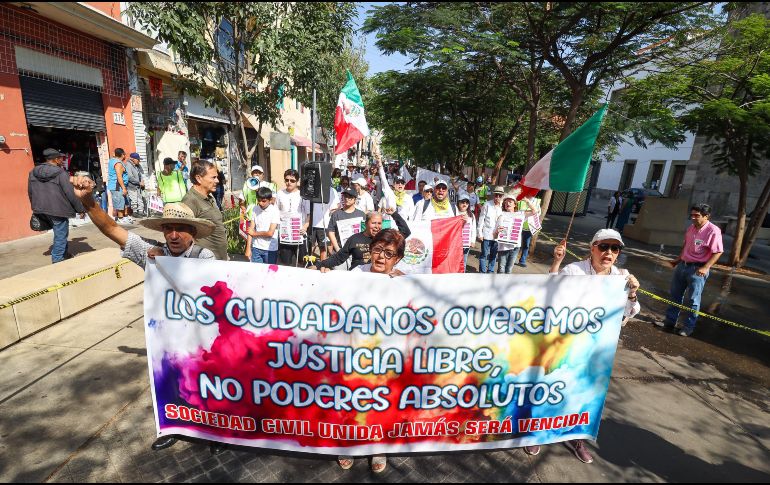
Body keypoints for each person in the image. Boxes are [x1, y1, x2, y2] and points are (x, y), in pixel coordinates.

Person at [68, 175, 222, 454]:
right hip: (167, 339)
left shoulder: (204, 258)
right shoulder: (151, 251)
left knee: (208, 385)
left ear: (193, 233)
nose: (173, 235)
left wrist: (165, 263)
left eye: (180, 229)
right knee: (171, 384)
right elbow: (112, 228)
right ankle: (173, 427)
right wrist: (89, 201)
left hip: (202, 340)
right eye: (168, 229)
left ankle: (215, 434)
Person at [543, 228, 640, 463]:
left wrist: (632, 294)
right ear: (592, 248)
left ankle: (576, 438)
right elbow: (549, 295)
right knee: (553, 388)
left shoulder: (622, 277)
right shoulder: (574, 270)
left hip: (597, 349)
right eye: (604, 247)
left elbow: (629, 313)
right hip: (566, 342)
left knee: (586, 394)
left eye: (615, 248)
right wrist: (556, 263)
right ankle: (538, 434)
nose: (609, 253)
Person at [334, 228, 407, 472]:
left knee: (381, 401)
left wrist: (406, 284)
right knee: (351, 400)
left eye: (389, 253)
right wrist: (323, 275)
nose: (381, 257)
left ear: (397, 258)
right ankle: (348, 444)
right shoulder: (356, 274)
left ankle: (378, 446)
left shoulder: (403, 281)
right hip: (355, 351)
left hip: (386, 357)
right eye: (377, 250)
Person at [657, 203, 723, 337]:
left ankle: (688, 327)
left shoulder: (713, 231)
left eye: (696, 215)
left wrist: (706, 267)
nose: (692, 218)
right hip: (682, 266)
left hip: (697, 270)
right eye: (691, 215)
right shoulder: (691, 227)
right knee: (675, 295)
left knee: (693, 300)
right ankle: (669, 322)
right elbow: (686, 245)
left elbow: (718, 251)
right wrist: (677, 260)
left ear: (706, 216)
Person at [27, 148, 86, 263]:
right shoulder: (61, 173)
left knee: (60, 232)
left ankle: (64, 254)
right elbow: (70, 193)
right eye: (60, 158)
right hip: (58, 209)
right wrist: (80, 209)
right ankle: (57, 260)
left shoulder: (33, 172)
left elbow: (30, 192)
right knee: (61, 234)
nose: (62, 160)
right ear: (56, 159)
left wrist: (35, 207)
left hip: (41, 208)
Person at [316, 210, 409, 271]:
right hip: (358, 276)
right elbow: (338, 258)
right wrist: (318, 266)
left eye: (379, 223)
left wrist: (394, 214)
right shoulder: (354, 238)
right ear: (366, 223)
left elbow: (406, 232)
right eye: (374, 223)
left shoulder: (385, 239)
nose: (377, 226)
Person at [182, 160, 228, 260]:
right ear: (199, 178)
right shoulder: (190, 200)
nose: (217, 181)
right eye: (213, 177)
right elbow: (181, 234)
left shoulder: (210, 197)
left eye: (217, 177)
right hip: (205, 262)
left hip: (220, 259)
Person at [301, 186, 340, 262]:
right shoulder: (309, 188)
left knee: (323, 248)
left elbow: (335, 207)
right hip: (310, 224)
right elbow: (306, 208)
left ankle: (323, 265)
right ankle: (309, 265)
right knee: (309, 248)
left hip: (324, 224)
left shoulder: (331, 190)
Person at [276, 169, 305, 267]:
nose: (289, 182)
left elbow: (308, 214)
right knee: (285, 263)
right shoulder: (279, 193)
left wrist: (305, 227)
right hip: (285, 234)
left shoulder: (302, 195)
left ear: (297, 181)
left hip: (299, 233)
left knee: (302, 262)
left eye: (292, 180)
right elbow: (276, 211)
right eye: (287, 180)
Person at [328, 187, 366, 259]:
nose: (347, 199)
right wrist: (337, 249)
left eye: (350, 197)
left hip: (357, 252)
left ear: (355, 199)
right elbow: (331, 232)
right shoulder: (336, 214)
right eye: (345, 196)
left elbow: (364, 232)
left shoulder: (361, 214)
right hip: (341, 251)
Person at [248, 187, 280, 264]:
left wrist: (254, 233)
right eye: (259, 200)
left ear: (270, 200)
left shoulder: (275, 211)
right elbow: (250, 230)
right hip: (256, 247)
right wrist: (248, 248)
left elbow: (270, 233)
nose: (260, 203)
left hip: (270, 249)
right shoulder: (255, 209)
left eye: (264, 201)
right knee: (256, 270)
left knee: (269, 271)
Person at [477, 186, 505, 273]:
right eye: (496, 195)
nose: (498, 197)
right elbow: (481, 219)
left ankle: (490, 271)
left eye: (500, 195)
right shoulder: (487, 204)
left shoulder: (504, 207)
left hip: (497, 236)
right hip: (487, 234)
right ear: (494, 195)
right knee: (484, 254)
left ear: (502, 196)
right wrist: (479, 233)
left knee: (493, 255)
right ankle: (482, 272)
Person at [495, 191, 519, 274]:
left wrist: (526, 200)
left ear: (515, 204)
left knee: (509, 270)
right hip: (503, 246)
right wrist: (497, 232)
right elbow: (494, 235)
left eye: (510, 202)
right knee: (501, 269)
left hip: (515, 247)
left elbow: (534, 212)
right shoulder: (501, 216)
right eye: (506, 202)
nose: (507, 203)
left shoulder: (520, 215)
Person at [516, 195, 541, 268]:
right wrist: (529, 212)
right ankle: (511, 259)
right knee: (516, 244)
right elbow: (517, 211)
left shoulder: (536, 201)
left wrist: (528, 212)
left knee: (526, 245)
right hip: (518, 225)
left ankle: (522, 261)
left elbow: (538, 212)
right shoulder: (520, 198)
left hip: (529, 227)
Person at [107, 148, 131, 223]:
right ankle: (120, 218)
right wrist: (123, 188)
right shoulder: (118, 164)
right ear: (123, 155)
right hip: (117, 186)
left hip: (117, 185)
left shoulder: (112, 160)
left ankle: (124, 217)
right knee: (120, 202)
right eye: (124, 154)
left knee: (124, 201)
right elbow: (119, 176)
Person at [457, 192, 477, 272]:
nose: (464, 204)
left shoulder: (471, 215)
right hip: (456, 243)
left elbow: (473, 229)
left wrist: (472, 241)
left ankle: (462, 276)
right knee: (455, 261)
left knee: (464, 262)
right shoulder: (454, 213)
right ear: (458, 203)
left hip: (466, 243)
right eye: (462, 202)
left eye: (466, 202)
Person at [125, 153, 146, 218]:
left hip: (138, 186)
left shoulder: (137, 165)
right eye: (138, 159)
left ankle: (140, 211)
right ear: (132, 159)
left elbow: (140, 174)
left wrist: (142, 181)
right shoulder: (128, 165)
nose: (139, 161)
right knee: (134, 200)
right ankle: (135, 212)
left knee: (140, 199)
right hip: (132, 186)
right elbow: (130, 177)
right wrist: (139, 182)